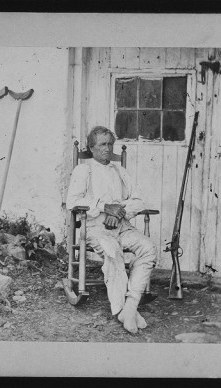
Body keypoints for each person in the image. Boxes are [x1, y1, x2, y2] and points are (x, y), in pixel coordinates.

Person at [66, 126, 157, 334]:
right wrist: (105, 208)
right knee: (112, 252)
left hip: (122, 226)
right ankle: (121, 310)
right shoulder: (83, 170)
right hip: (96, 228)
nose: (107, 149)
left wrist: (120, 213)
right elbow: (72, 201)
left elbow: (138, 200)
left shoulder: (120, 171)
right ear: (91, 147)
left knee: (148, 248)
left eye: (110, 144)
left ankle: (131, 306)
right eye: (102, 145)